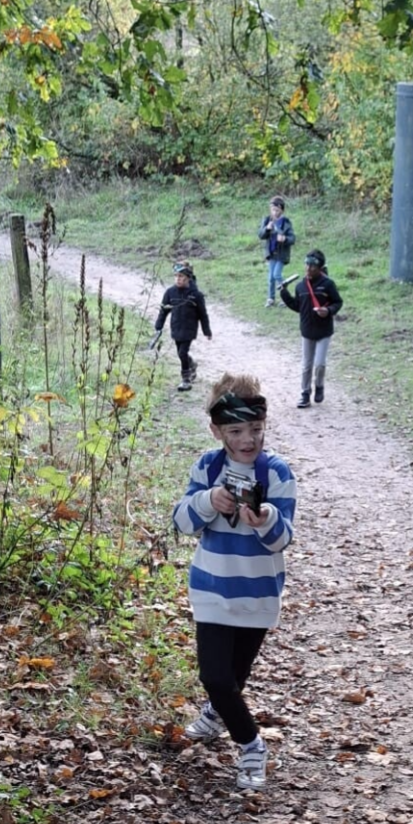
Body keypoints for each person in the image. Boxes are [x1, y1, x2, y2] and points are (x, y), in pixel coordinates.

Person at [173, 373, 297, 791]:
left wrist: (265, 520)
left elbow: (284, 539)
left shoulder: (276, 472)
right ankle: (251, 744)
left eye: (256, 430)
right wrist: (207, 500)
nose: (248, 439)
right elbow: (182, 522)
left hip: (258, 593)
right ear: (217, 430)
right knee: (215, 676)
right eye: (237, 431)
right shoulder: (208, 468)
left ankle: (214, 714)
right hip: (212, 588)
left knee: (234, 678)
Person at [280, 248, 343, 408]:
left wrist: (328, 311)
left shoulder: (328, 284)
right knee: (306, 365)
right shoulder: (300, 286)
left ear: (320, 268)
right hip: (307, 331)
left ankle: (319, 386)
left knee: (320, 363)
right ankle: (305, 394)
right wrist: (284, 295)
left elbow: (338, 302)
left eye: (312, 266)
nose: (308, 268)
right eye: (307, 264)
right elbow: (298, 306)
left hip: (324, 331)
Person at [154, 262, 212, 391]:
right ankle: (191, 364)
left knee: (182, 352)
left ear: (188, 278)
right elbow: (164, 310)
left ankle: (186, 379)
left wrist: (206, 330)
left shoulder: (196, 295)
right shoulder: (170, 292)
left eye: (180, 276)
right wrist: (159, 325)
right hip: (176, 327)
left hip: (189, 329)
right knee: (180, 353)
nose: (178, 279)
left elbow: (203, 314)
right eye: (176, 276)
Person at [258, 195, 295, 308]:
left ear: (282, 210)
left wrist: (284, 239)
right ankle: (271, 298)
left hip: (282, 254)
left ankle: (285, 298)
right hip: (271, 253)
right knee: (270, 278)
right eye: (272, 209)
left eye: (277, 210)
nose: (274, 212)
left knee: (277, 275)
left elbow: (292, 238)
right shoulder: (267, 220)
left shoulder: (286, 222)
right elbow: (261, 235)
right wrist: (267, 229)